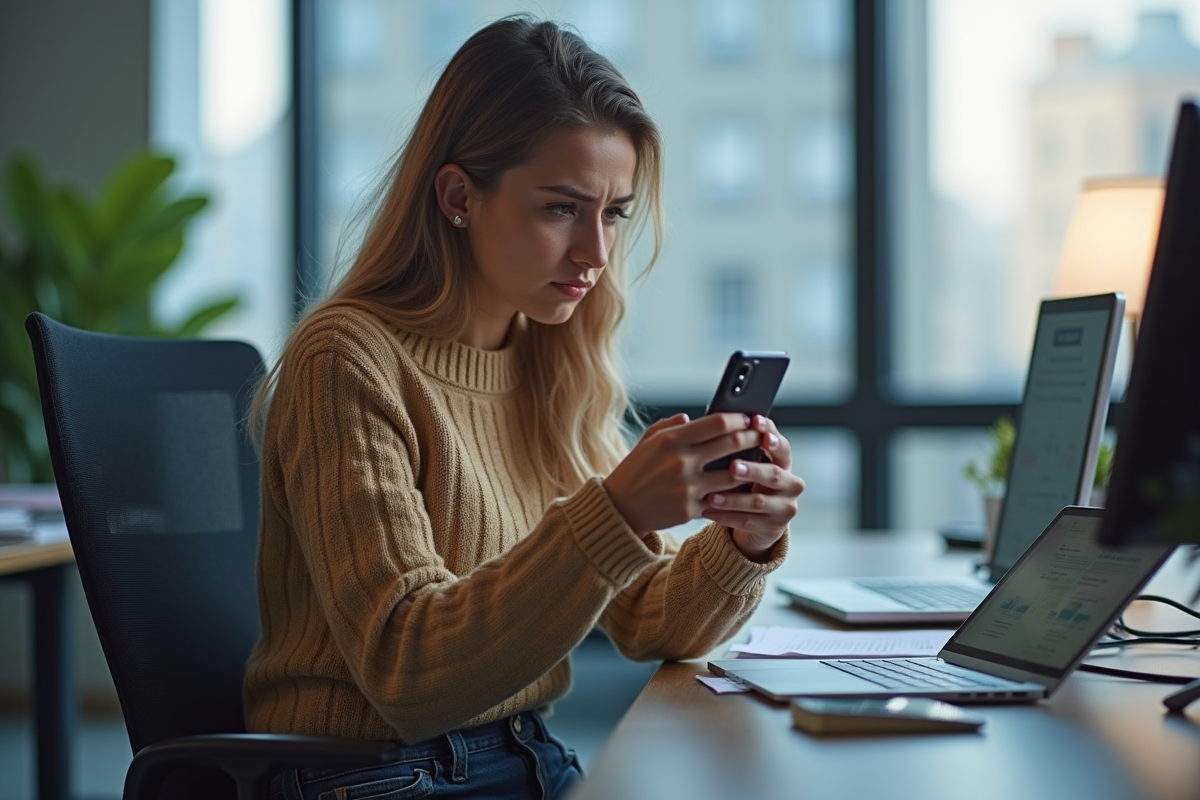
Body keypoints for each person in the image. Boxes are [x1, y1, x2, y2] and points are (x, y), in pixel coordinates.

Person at [245, 15, 805, 800]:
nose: (597, 254)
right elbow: (405, 672)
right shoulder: (345, 358)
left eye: (613, 212)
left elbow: (650, 620)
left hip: (522, 757)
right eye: (561, 209)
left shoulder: (548, 360)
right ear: (457, 197)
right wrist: (614, 512)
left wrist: (745, 539)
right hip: (375, 778)